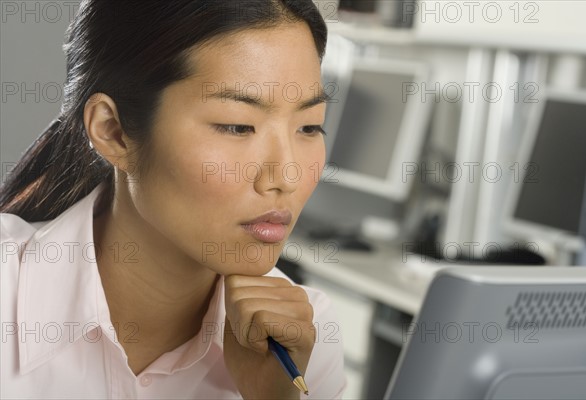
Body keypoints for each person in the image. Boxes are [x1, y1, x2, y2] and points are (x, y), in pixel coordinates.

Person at [0, 1, 347, 398]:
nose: (286, 176)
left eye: (309, 127)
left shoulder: (304, 337)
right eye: (237, 126)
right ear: (113, 132)